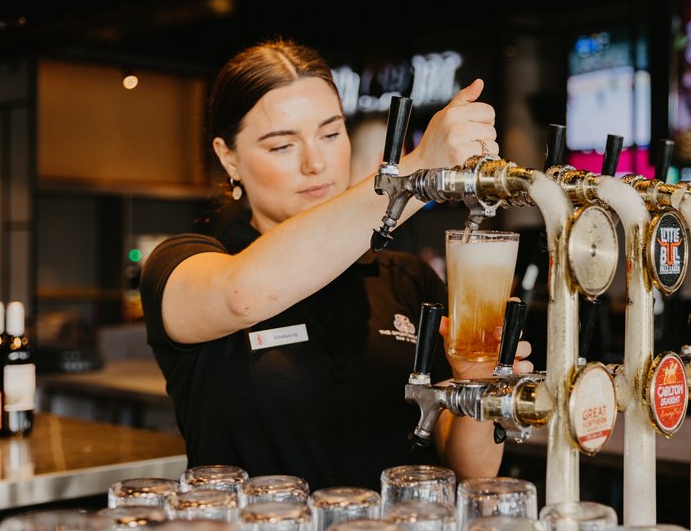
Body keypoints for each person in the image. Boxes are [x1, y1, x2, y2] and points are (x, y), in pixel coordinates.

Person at [139, 37, 533, 490]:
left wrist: (476, 387)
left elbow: (470, 471)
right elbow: (243, 295)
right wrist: (418, 171)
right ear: (228, 156)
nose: (316, 163)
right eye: (282, 146)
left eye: (330, 134)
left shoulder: (407, 281)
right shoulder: (186, 264)